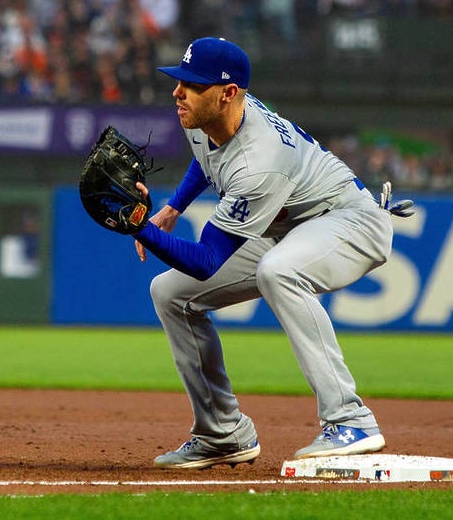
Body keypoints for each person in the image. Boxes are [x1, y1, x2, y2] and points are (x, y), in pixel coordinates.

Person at [131, 37, 396, 469]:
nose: (177, 93)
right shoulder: (204, 115)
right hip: (285, 225)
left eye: (191, 85)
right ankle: (222, 432)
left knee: (278, 272)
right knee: (170, 293)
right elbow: (207, 159)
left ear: (228, 93)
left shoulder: (260, 161)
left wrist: (136, 226)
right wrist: (172, 208)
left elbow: (206, 261)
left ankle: (351, 419)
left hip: (348, 219)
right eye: (179, 81)